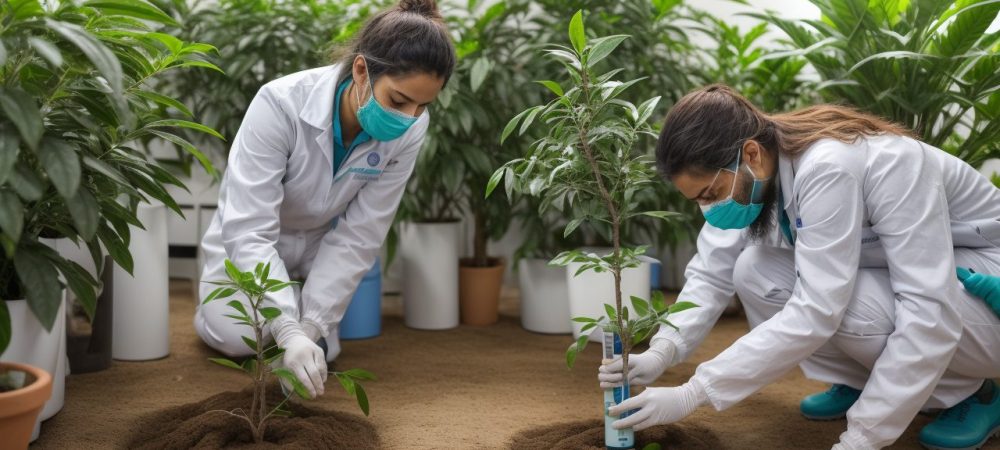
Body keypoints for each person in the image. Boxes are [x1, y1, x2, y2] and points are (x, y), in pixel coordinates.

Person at [598, 84, 1000, 450]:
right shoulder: (760, 171)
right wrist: (662, 350)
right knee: (755, 271)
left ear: (750, 154)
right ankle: (861, 381)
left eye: (711, 193)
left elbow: (925, 310)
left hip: (984, 284)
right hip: (928, 277)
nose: (709, 207)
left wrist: (860, 440)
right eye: (698, 200)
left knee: (844, 304)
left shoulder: (831, 166)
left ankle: (973, 393)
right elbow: (710, 272)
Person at [196, 0, 455, 399]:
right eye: (399, 101)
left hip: (318, 240)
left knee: (323, 349)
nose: (408, 117)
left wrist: (309, 328)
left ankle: (302, 308)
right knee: (238, 338)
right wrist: (287, 330)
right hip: (254, 238)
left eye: (423, 106)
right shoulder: (280, 103)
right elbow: (249, 228)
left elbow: (361, 233)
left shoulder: (412, 126)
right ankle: (216, 311)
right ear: (361, 70)